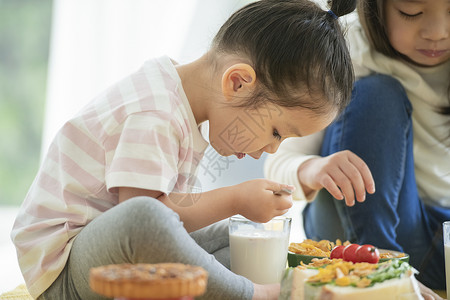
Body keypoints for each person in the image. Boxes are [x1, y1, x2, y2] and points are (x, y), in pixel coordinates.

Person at [10, 0, 358, 299]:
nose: (266, 151)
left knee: (237, 238)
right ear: (237, 82)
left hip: (116, 254)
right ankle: (251, 293)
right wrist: (235, 198)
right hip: (66, 272)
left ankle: (245, 286)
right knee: (150, 220)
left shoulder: (177, 98)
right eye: (276, 132)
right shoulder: (155, 112)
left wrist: (235, 214)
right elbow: (142, 217)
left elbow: (168, 226)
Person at [265, 0, 450, 292]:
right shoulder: (344, 48)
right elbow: (277, 165)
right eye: (411, 13)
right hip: (354, 235)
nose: (438, 32)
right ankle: (386, 274)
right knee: (377, 95)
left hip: (438, 242)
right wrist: (314, 169)